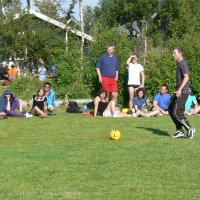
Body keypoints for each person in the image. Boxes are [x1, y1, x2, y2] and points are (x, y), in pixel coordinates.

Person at [169, 48, 195, 139]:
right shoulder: (180, 64)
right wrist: (177, 89)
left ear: (180, 54)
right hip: (179, 91)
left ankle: (190, 128)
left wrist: (179, 90)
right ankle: (179, 130)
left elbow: (186, 77)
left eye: (174, 53)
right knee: (170, 109)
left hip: (183, 92)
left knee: (176, 112)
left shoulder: (183, 63)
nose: (173, 55)